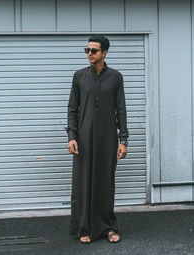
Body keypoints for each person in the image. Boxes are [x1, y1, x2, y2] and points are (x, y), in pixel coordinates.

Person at [67, 35, 128, 243]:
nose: (89, 54)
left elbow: (121, 110)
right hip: (83, 139)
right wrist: (72, 136)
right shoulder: (79, 76)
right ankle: (84, 228)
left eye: (93, 50)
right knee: (83, 185)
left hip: (108, 140)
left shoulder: (115, 77)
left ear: (104, 53)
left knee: (105, 184)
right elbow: (72, 109)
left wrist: (123, 140)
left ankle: (108, 228)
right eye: (87, 50)